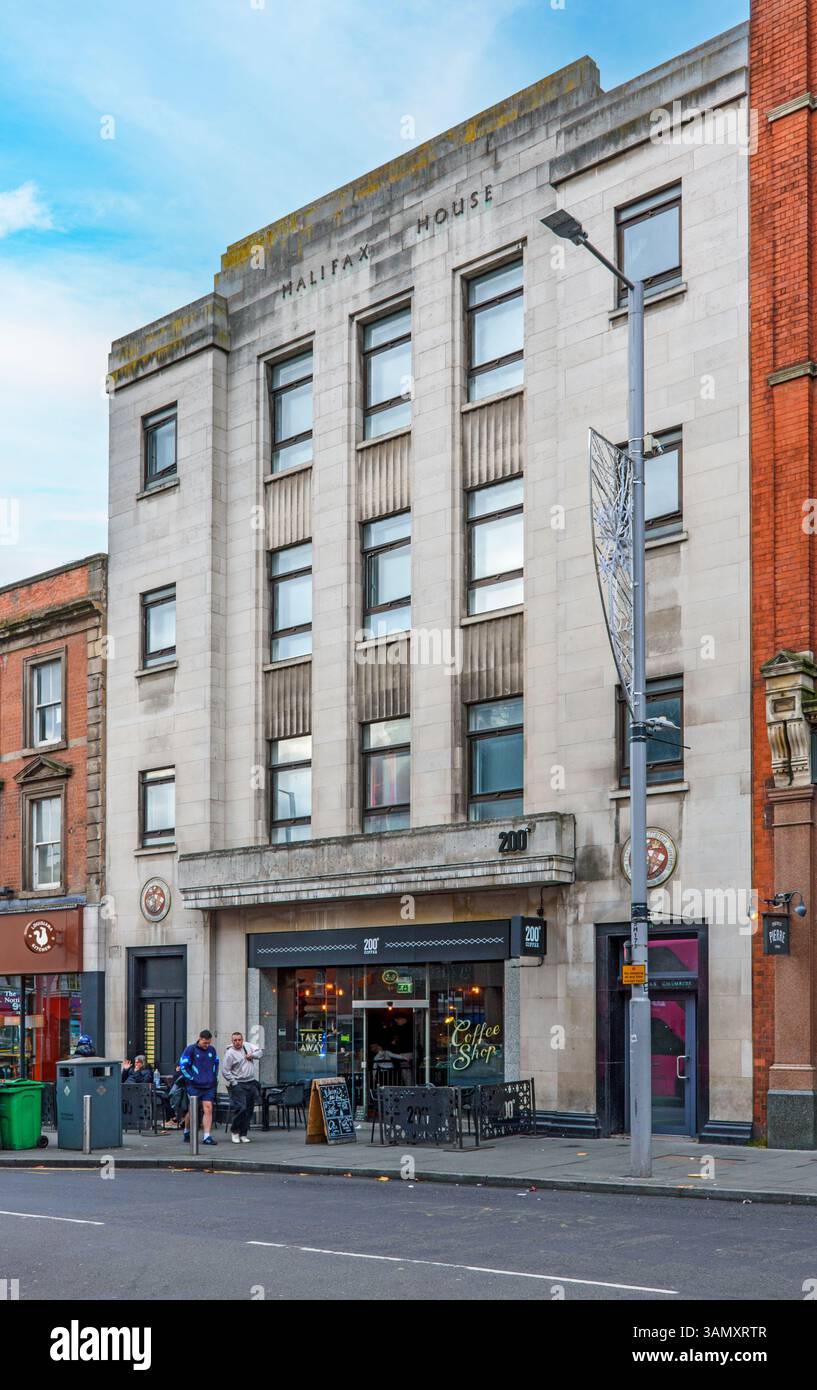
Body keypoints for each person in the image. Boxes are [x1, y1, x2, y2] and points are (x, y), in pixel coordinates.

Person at [221, 1031, 263, 1144]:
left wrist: (252, 1055)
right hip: (238, 1083)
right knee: (241, 1108)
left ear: (242, 1039)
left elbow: (260, 1053)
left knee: (249, 1110)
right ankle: (235, 1131)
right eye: (235, 1040)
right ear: (232, 1041)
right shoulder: (230, 1053)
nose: (237, 1042)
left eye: (239, 1040)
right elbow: (225, 1070)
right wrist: (233, 1082)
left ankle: (243, 1134)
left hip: (250, 1082)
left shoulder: (248, 1046)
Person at [179, 1030, 219, 1144]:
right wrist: (192, 1079)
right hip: (194, 1085)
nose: (207, 1045)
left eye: (208, 1043)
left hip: (209, 1085)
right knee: (193, 1110)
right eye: (205, 1042)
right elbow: (183, 1066)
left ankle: (207, 1136)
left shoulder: (212, 1050)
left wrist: (213, 1076)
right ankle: (187, 1130)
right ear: (200, 1039)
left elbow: (216, 1063)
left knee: (208, 1108)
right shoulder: (190, 1049)